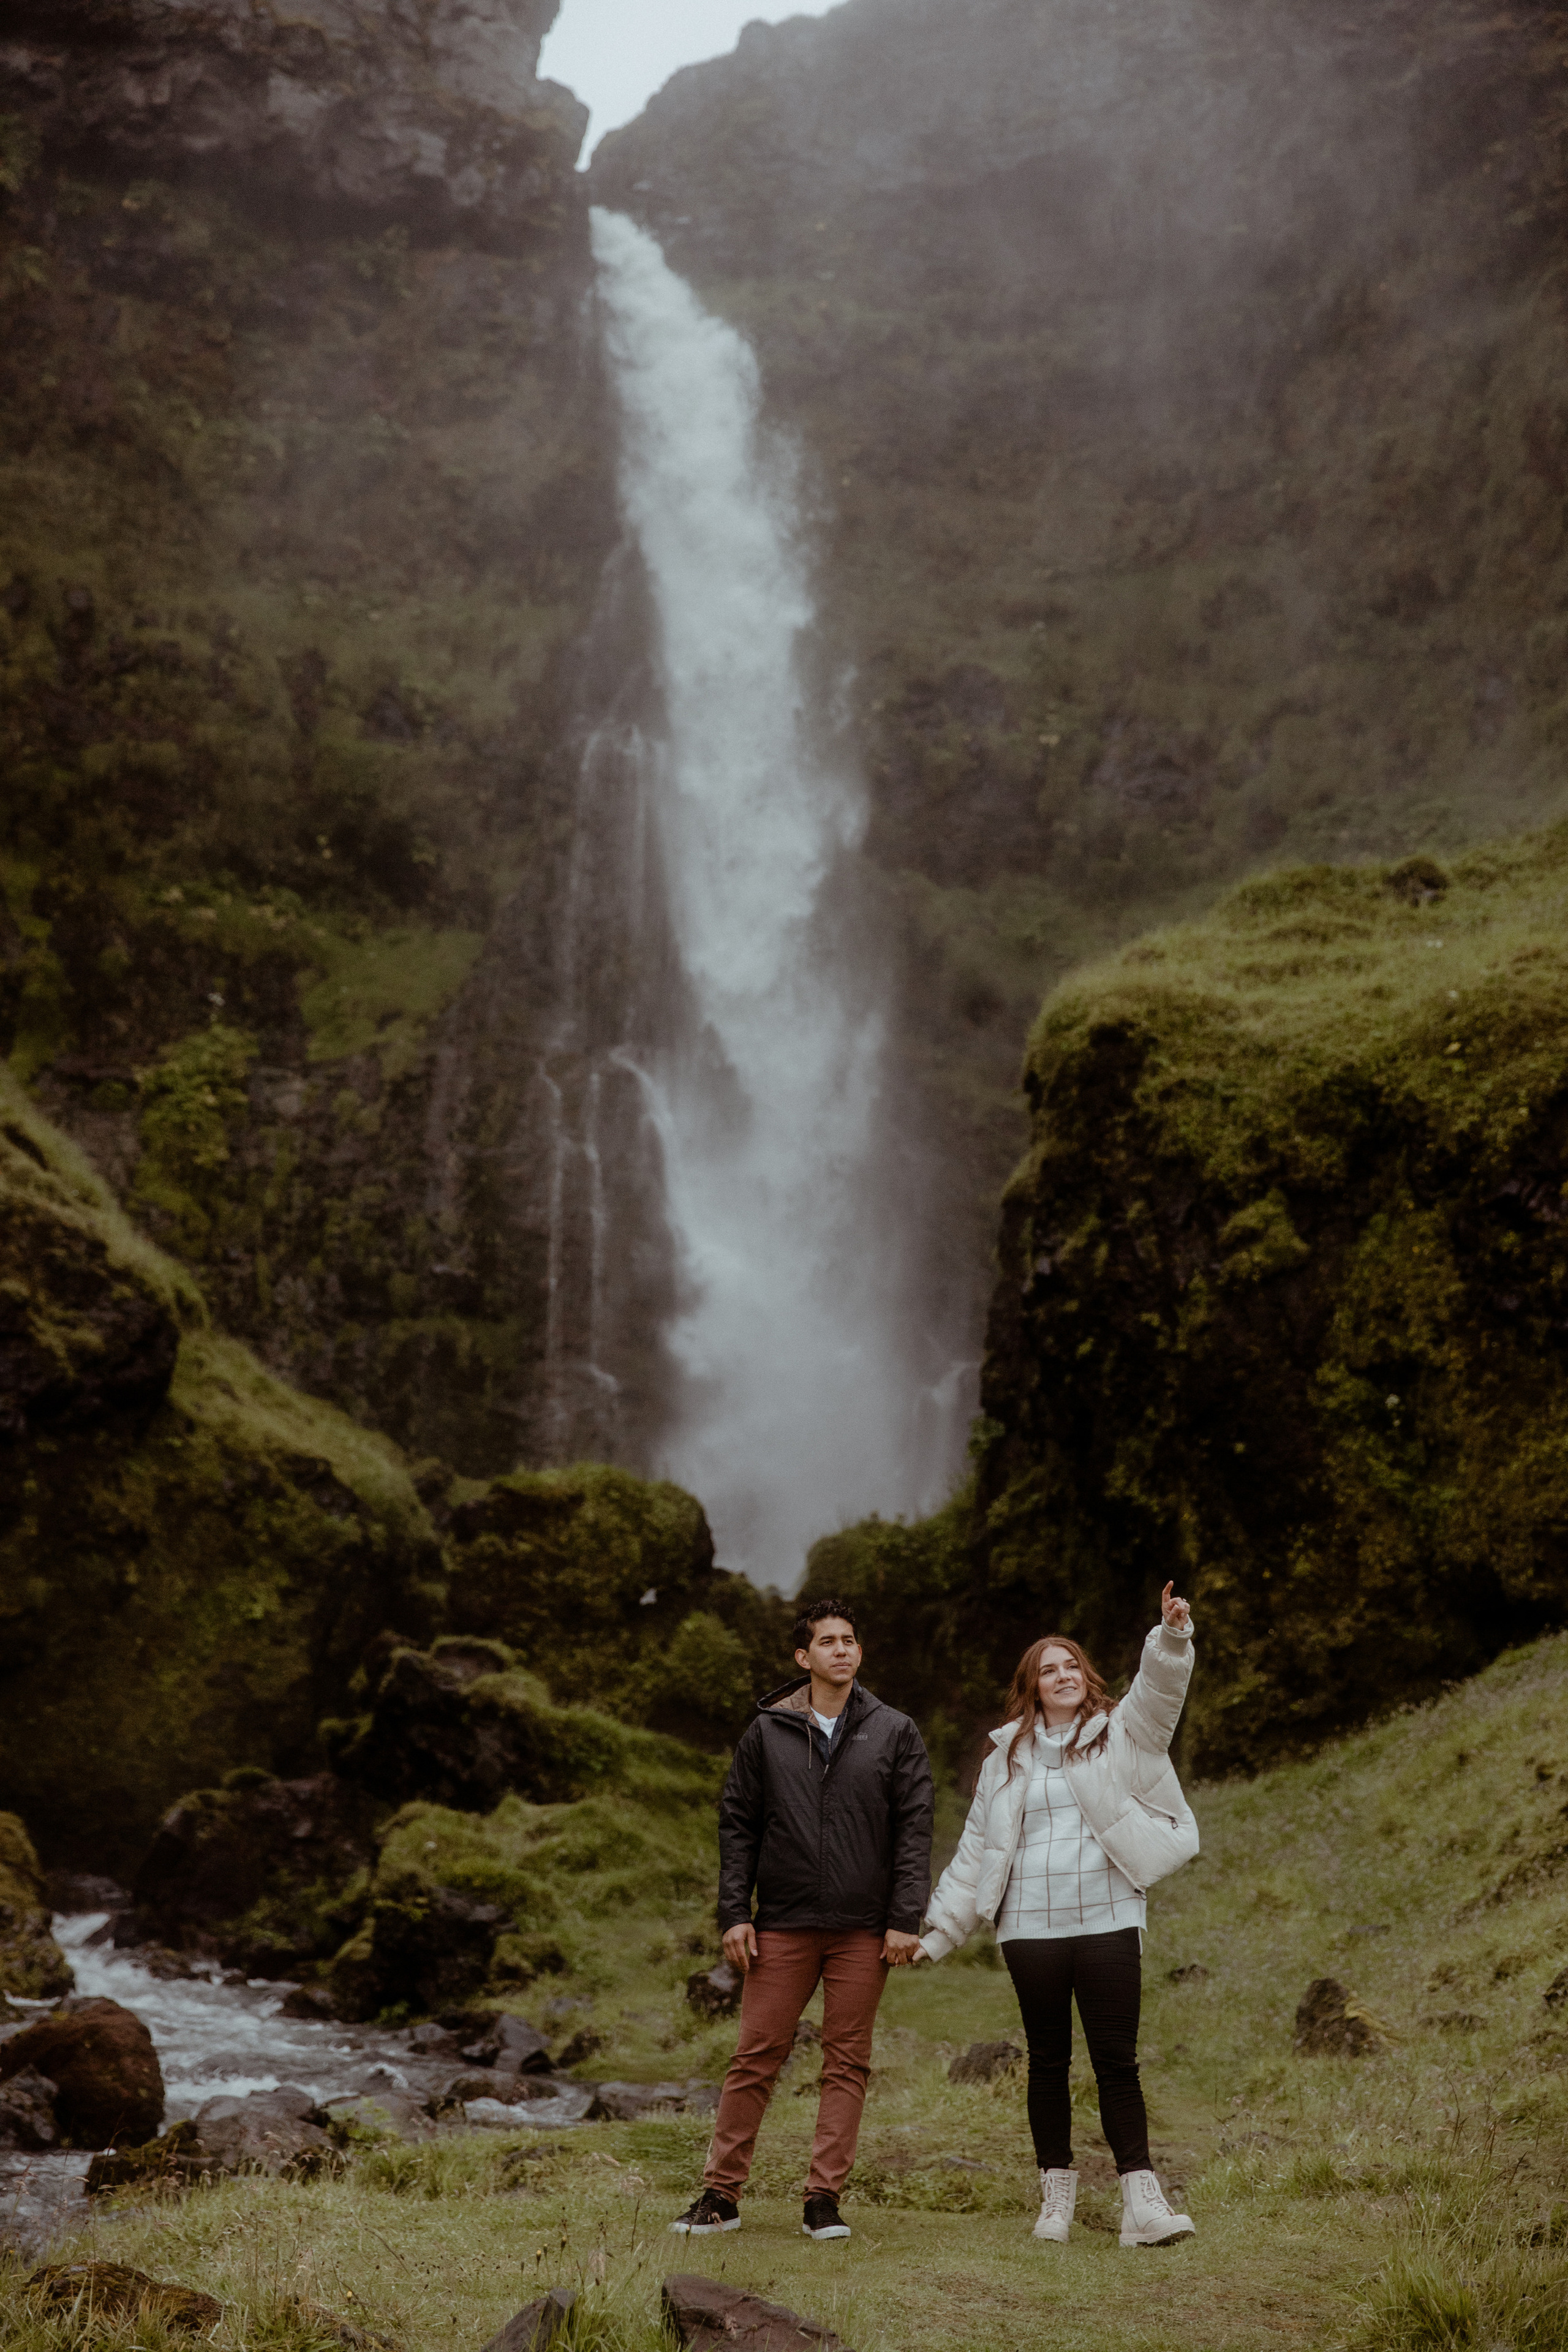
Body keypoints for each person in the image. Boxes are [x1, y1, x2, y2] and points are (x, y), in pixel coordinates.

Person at [916, 1583, 1200, 2250]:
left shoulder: (1123, 1733)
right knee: (1047, 2062)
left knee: (1117, 2062)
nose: (1064, 1675)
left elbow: (1159, 1694)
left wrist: (1171, 1636)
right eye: (1049, 1670)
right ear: (1032, 1688)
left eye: (1072, 1665)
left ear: (1086, 1676)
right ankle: (1056, 2201)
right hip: (1030, 1932)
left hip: (1108, 1921)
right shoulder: (1003, 1761)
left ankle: (1142, 2207)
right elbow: (978, 1852)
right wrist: (937, 1937)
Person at [669, 1596, 933, 2244]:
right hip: (782, 1924)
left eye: (850, 1640)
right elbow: (738, 1824)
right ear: (803, 1657)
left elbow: (914, 1830)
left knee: (846, 2063)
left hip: (863, 1929)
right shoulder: (767, 1733)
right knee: (754, 2056)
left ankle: (823, 2200)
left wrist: (905, 1917)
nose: (842, 1649)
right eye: (828, 1641)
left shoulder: (894, 1730)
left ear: (859, 1651)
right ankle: (720, 2196)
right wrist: (735, 1913)